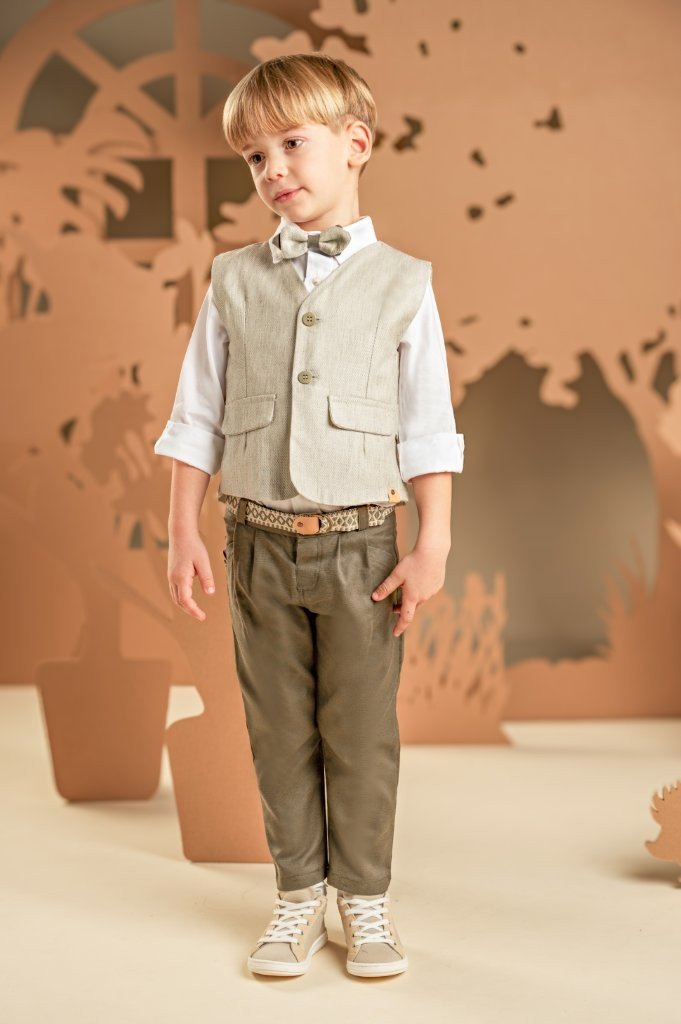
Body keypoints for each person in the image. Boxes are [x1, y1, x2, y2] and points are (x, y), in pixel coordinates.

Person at [154, 53, 465, 978]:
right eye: (255, 157)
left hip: (361, 549)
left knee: (360, 732)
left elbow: (427, 426)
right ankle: (296, 895)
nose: (273, 169)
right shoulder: (232, 279)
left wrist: (433, 543)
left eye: (291, 144)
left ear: (354, 144)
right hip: (255, 545)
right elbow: (195, 414)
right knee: (276, 728)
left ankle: (362, 900)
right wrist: (181, 529)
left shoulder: (404, 282)